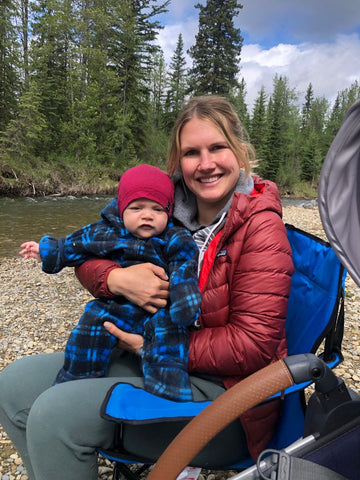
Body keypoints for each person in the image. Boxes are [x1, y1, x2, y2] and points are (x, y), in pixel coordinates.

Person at [0, 95, 294, 480]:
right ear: (177, 161)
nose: (206, 164)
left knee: (55, 416)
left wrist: (149, 346)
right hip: (148, 353)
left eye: (218, 147)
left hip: (226, 400)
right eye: (192, 152)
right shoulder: (159, 205)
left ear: (240, 152)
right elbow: (92, 247)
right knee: (13, 387)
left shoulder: (260, 228)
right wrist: (117, 279)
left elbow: (253, 345)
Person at [19, 164, 201, 402]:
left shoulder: (174, 237)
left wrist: (184, 303)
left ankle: (169, 392)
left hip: (159, 309)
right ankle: (76, 380)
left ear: (169, 212)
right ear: (121, 209)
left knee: (170, 338)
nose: (147, 215)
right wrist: (46, 249)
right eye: (137, 208)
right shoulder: (106, 231)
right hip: (115, 306)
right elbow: (75, 245)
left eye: (157, 209)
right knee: (90, 325)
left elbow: (184, 269)